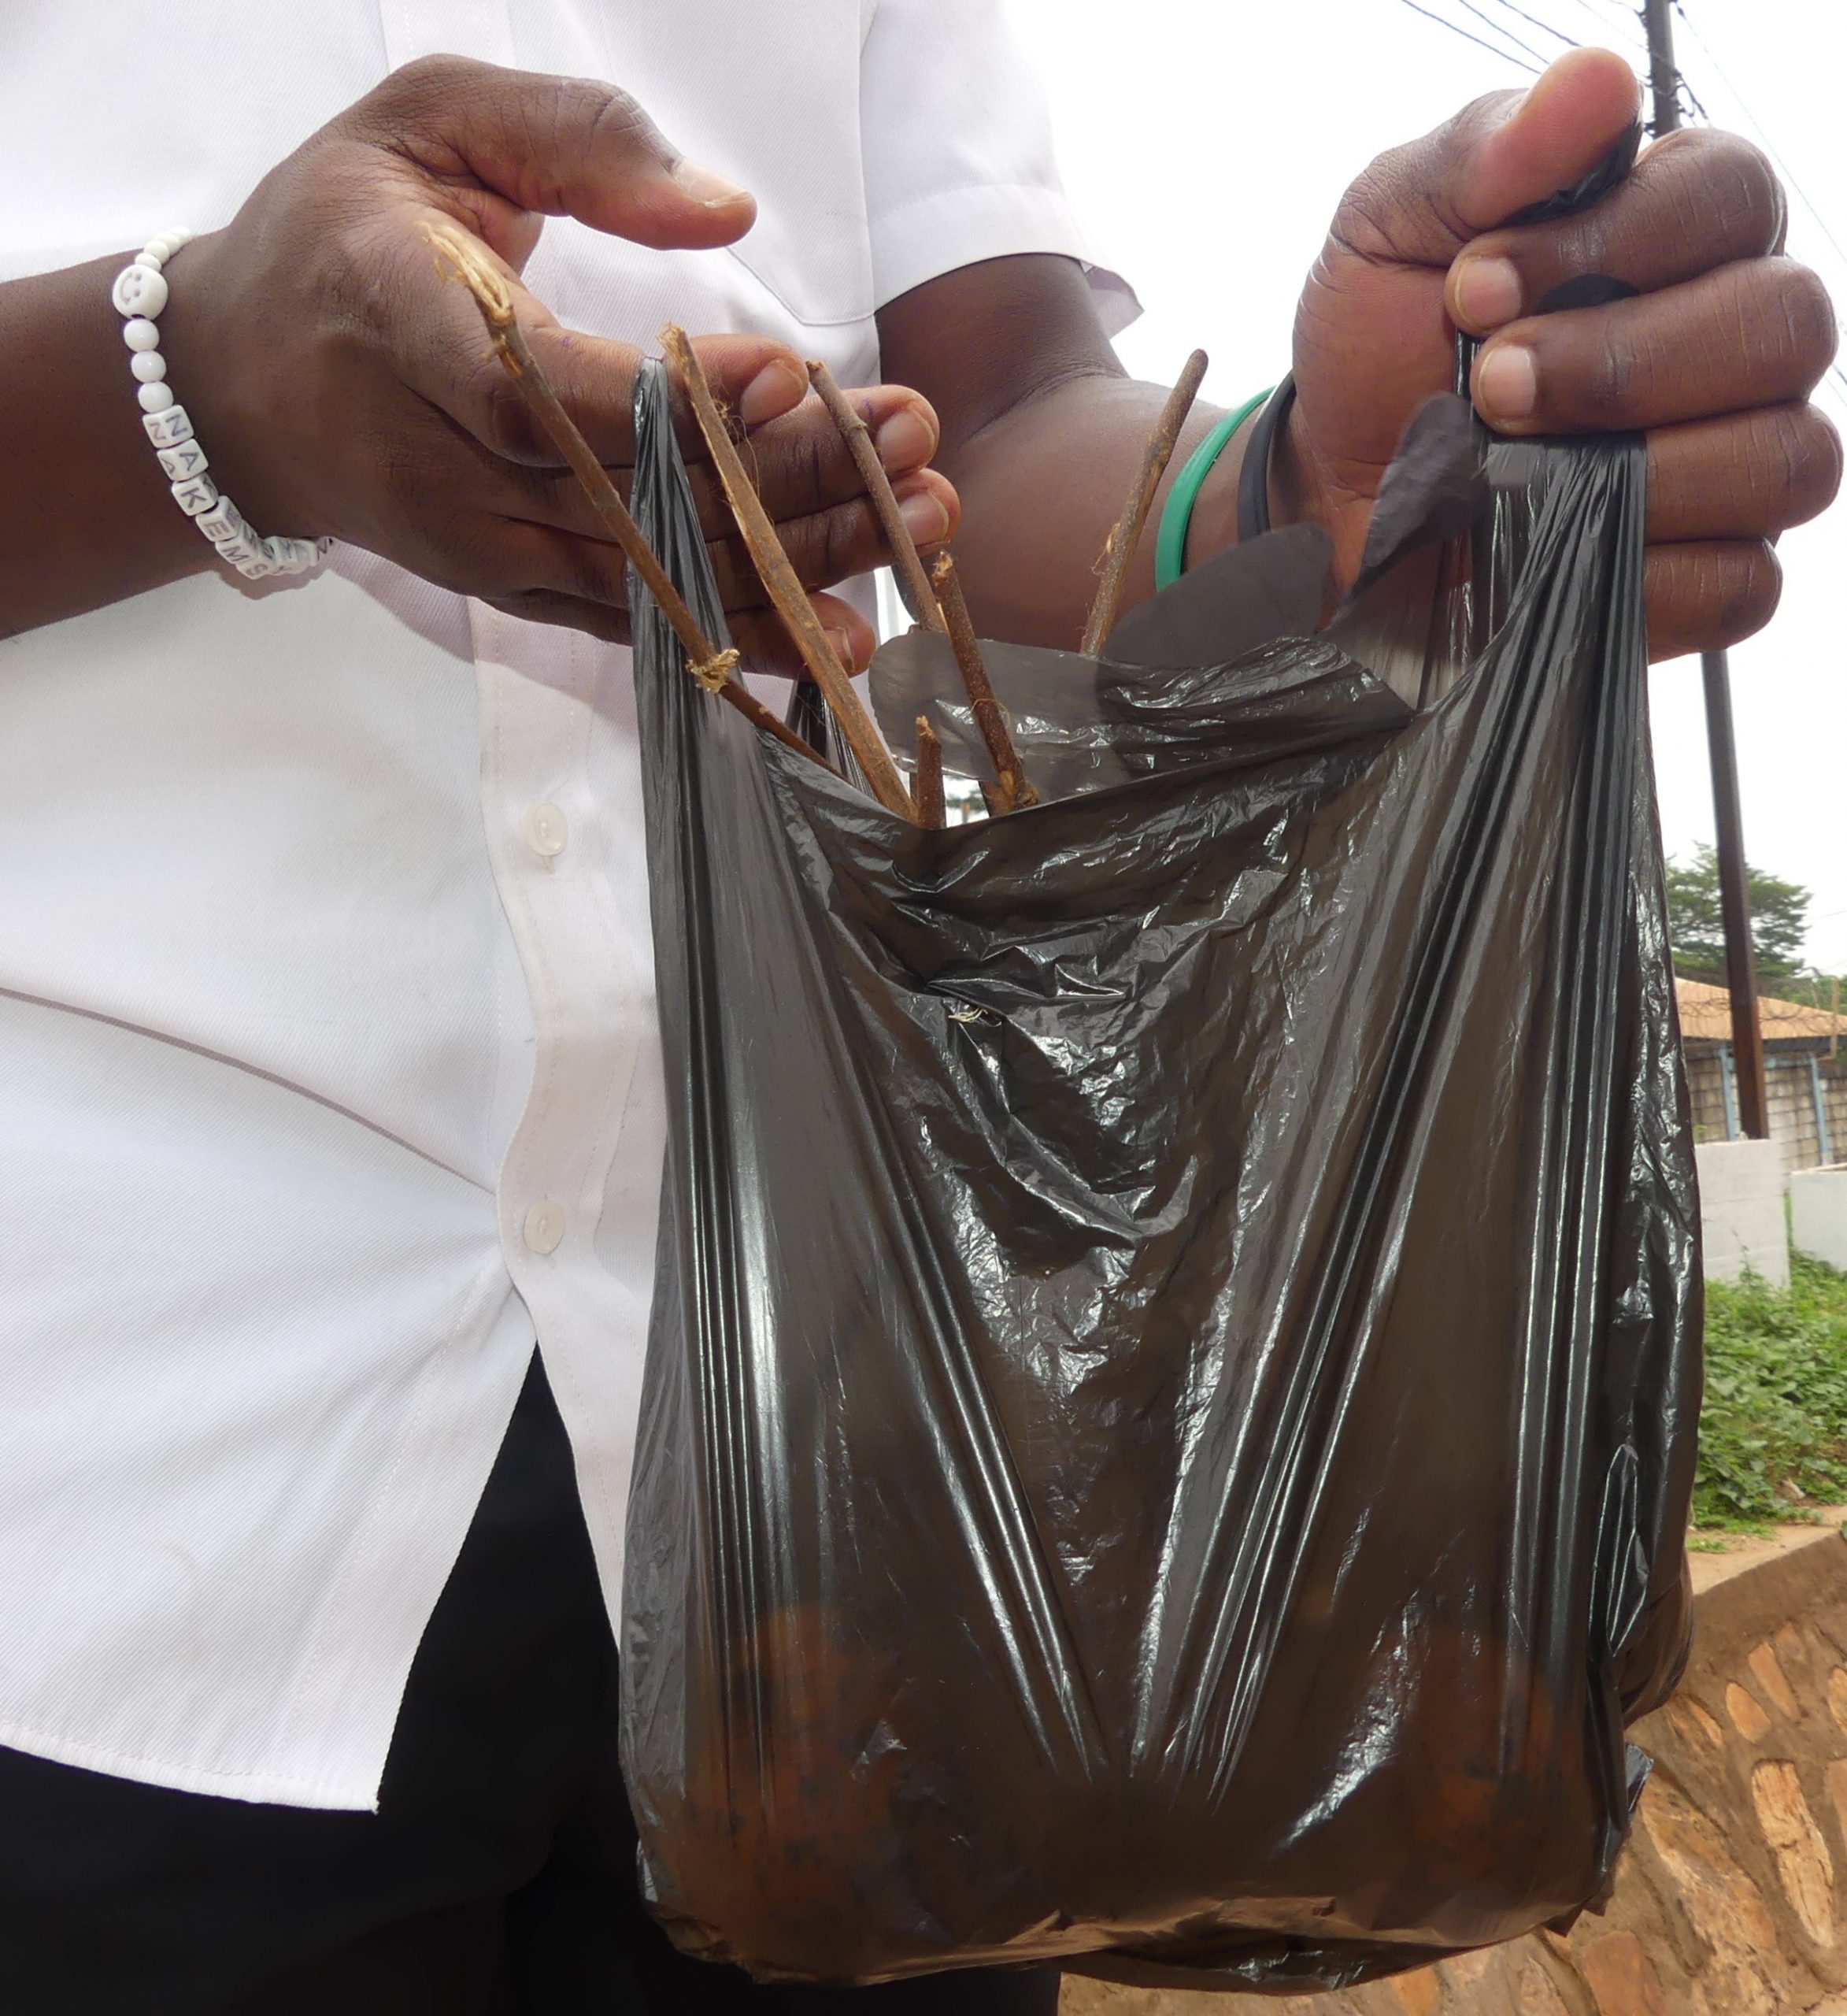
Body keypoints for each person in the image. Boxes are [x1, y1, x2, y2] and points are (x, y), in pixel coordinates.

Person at [0, 5, 1834, 2010]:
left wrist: (1306, 477)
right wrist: (198, 386)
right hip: (98, 1511)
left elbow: (996, 433)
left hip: (875, 1527)